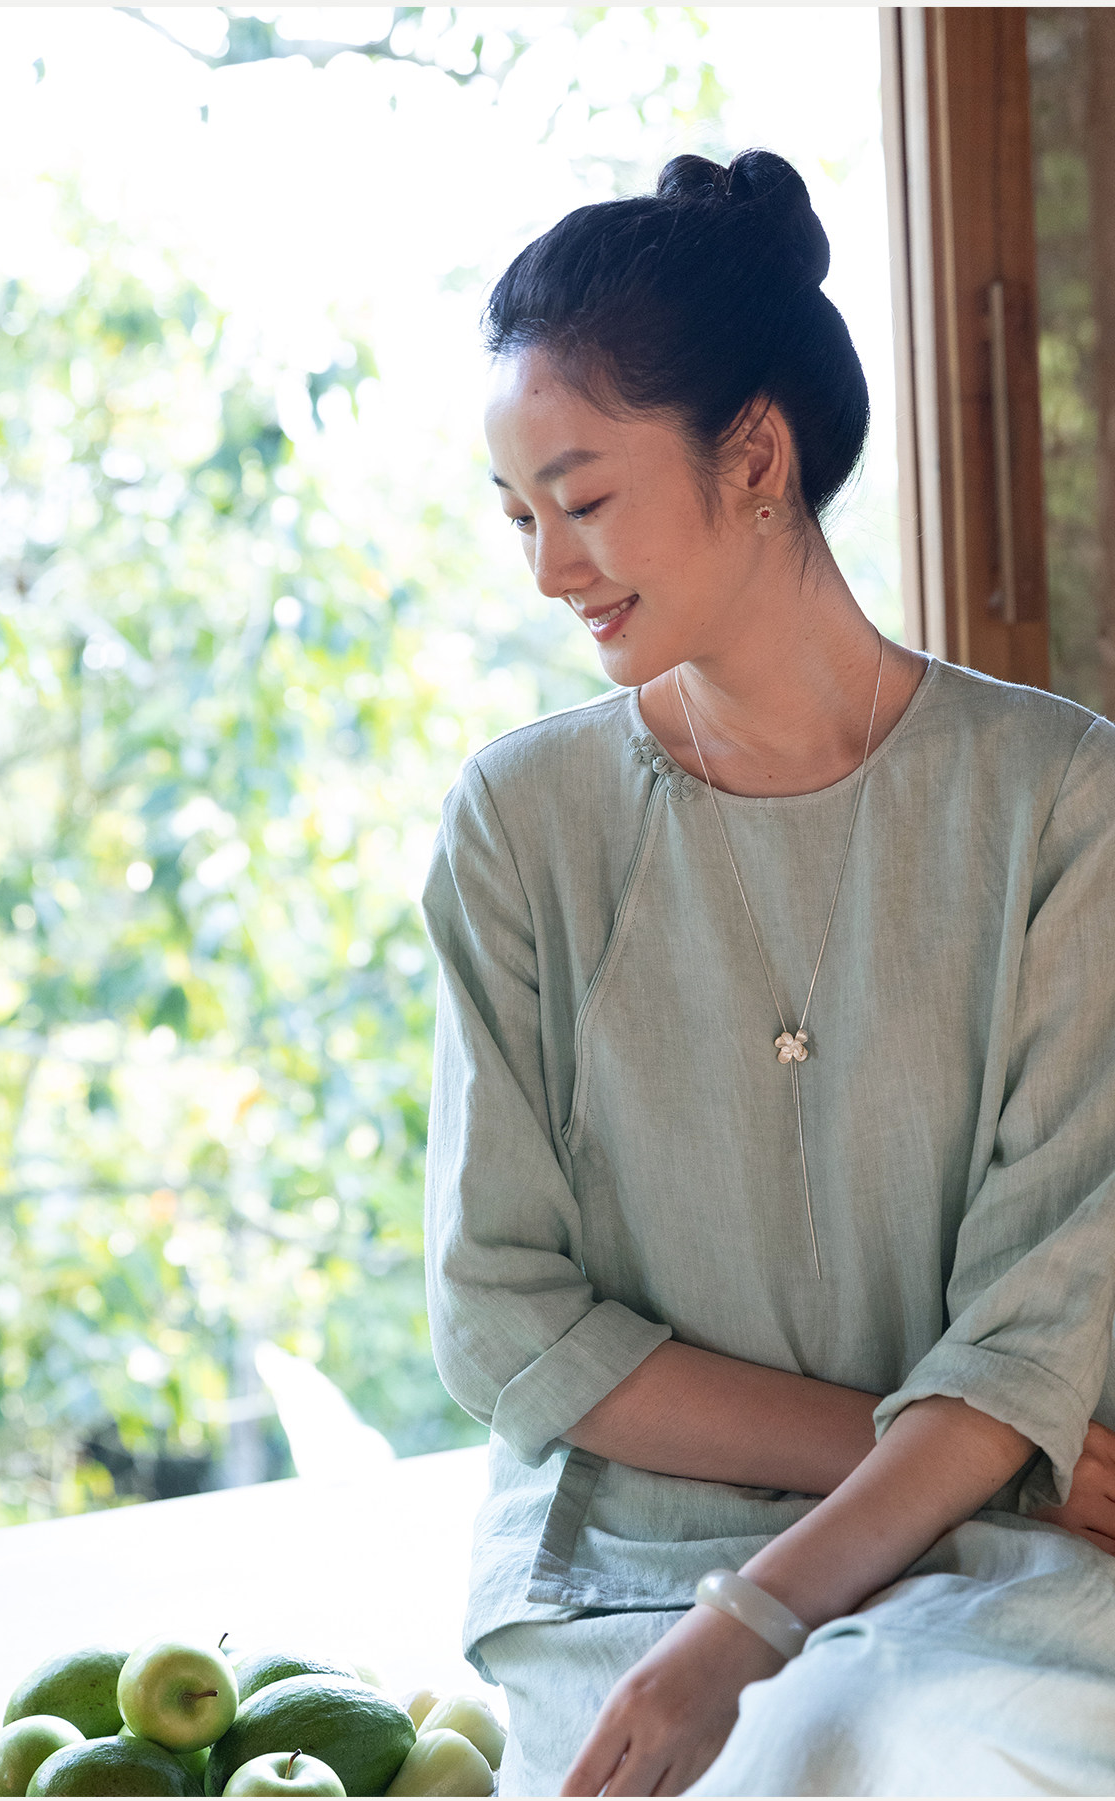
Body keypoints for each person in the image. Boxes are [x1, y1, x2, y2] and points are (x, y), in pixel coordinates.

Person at [420, 148, 1115, 1797]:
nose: (547, 568)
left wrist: (768, 1618)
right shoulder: (521, 821)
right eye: (518, 515)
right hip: (624, 1574)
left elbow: (1037, 1323)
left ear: (753, 456)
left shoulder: (1061, 798)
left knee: (957, 1745)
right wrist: (905, 1474)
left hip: (995, 1572)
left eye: (583, 500)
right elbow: (505, 1318)